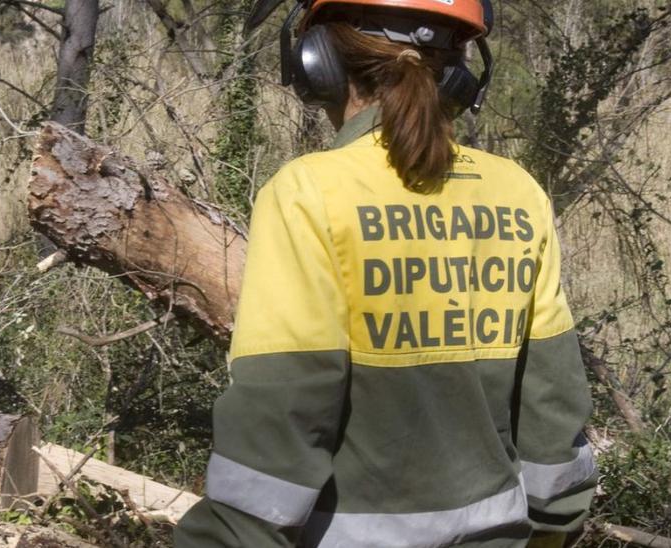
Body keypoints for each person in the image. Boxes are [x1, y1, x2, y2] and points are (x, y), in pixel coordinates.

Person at [174, 0, 595, 546]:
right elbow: (553, 407)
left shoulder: (310, 192)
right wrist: (548, 533)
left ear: (316, 61)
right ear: (462, 71)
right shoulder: (517, 192)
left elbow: (280, 419)